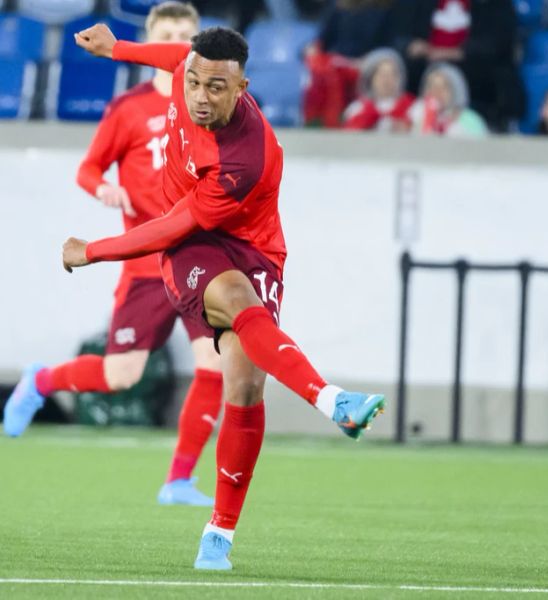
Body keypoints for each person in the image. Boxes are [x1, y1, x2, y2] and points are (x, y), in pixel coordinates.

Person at [48, 23, 383, 571]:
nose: (201, 97)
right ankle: (330, 399)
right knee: (228, 295)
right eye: (196, 83)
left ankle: (219, 535)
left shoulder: (244, 157)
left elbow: (171, 222)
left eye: (216, 88)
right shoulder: (188, 68)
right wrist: (119, 49)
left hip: (254, 249)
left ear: (242, 87)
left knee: (247, 386)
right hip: (192, 248)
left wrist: (94, 250)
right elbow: (174, 56)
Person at [2, 2, 221, 507]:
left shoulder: (211, 108)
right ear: (151, 40)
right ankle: (39, 381)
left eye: (187, 35)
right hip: (146, 262)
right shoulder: (129, 108)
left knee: (215, 367)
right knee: (120, 375)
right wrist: (103, 189)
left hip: (201, 262)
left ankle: (179, 481)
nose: (179, 43)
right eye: (168, 33)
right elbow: (88, 168)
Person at [393, 0, 521, 130]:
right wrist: (411, 45)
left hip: (476, 74)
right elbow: (397, 34)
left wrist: (456, 53)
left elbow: (499, 42)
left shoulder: (495, 4)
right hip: (423, 66)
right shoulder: (414, 3)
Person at [304, 0, 396, 127]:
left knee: (376, 70)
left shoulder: (383, 10)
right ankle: (326, 123)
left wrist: (367, 60)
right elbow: (323, 40)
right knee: (327, 74)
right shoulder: (337, 7)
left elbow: (387, 44)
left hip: (368, 62)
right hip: (338, 63)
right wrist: (312, 49)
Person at [343, 48, 415, 131]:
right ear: (371, 78)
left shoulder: (413, 108)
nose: (387, 80)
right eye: (382, 75)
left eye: (392, 75)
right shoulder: (357, 108)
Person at [408, 62, 488, 138]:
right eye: (430, 86)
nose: (436, 92)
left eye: (444, 87)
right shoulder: (414, 114)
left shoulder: (471, 120)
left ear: (455, 91)